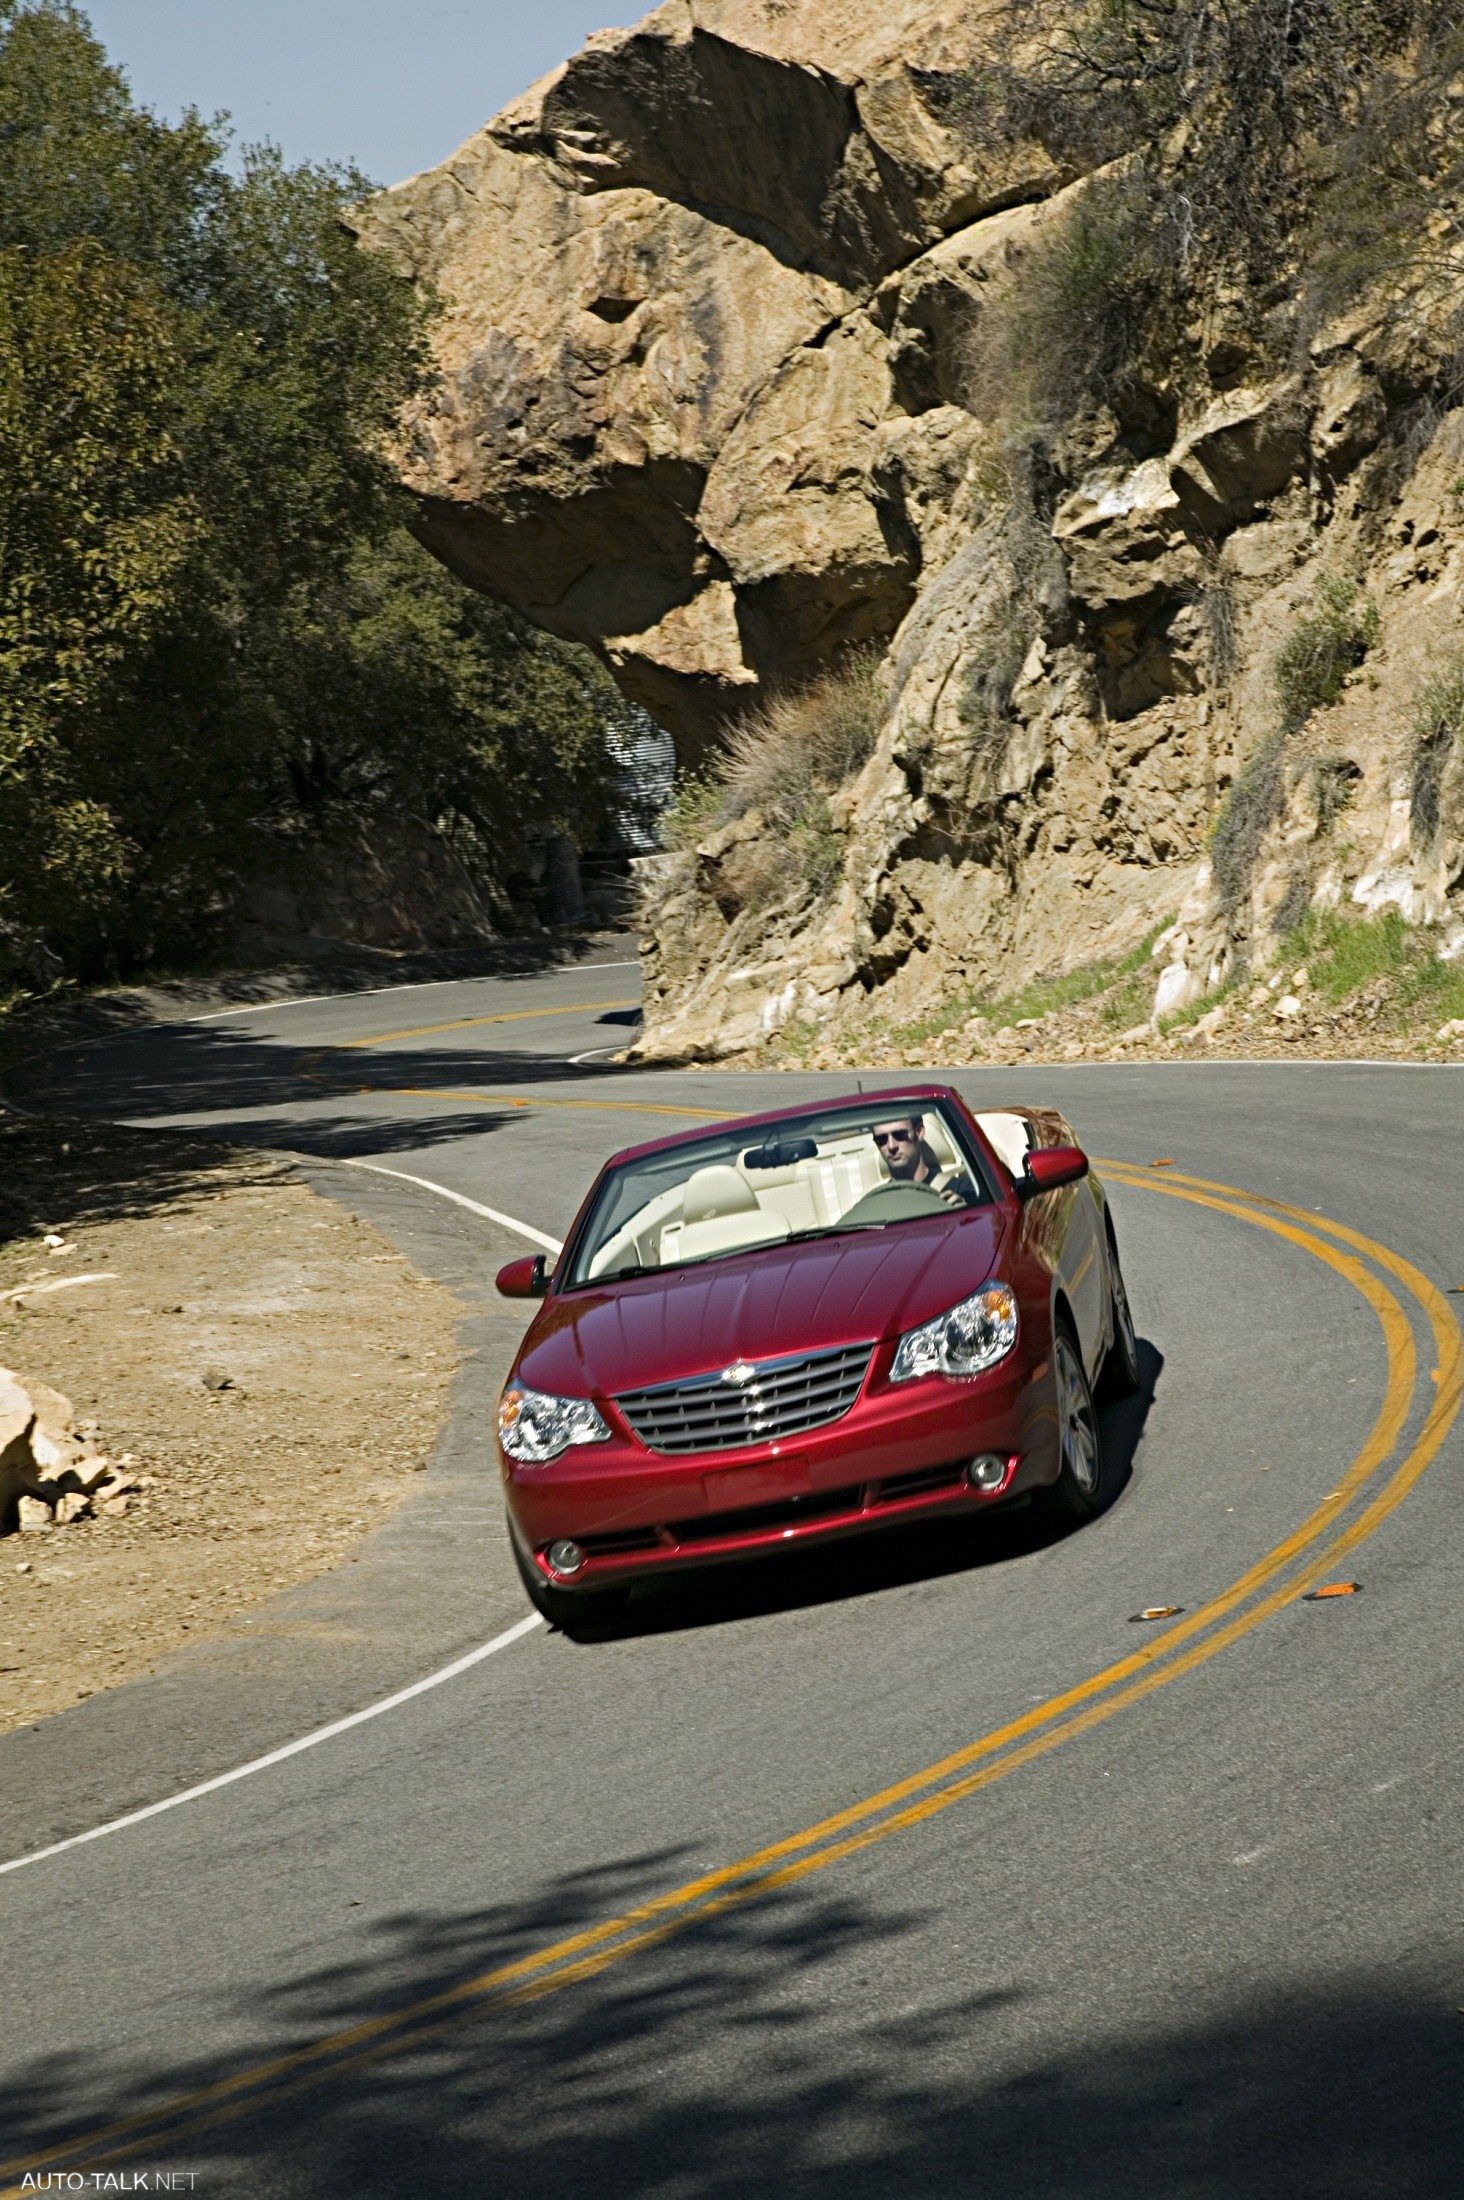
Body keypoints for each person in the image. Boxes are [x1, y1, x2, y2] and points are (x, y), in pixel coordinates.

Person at [870, 1115, 976, 1206]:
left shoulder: (964, 1190)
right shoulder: (874, 1205)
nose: (891, 1146)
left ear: (919, 1132)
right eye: (881, 1139)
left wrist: (964, 1217)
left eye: (900, 1135)